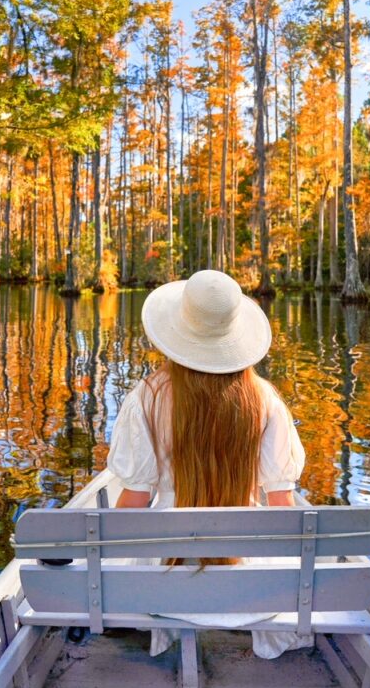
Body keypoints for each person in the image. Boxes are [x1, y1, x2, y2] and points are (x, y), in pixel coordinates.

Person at [106, 269, 308, 658]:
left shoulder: (146, 399)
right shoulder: (264, 400)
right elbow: (283, 507)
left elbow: (132, 503)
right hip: (248, 592)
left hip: (162, 587)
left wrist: (111, 568)